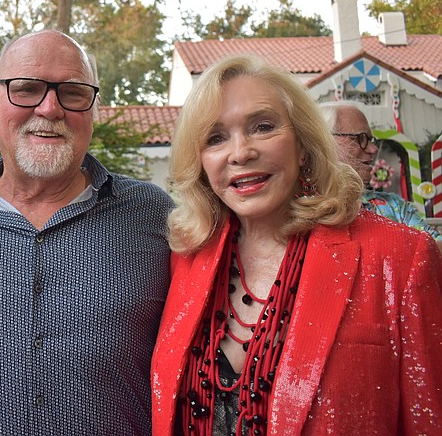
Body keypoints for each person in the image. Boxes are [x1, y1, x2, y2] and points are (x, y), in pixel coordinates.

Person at [151, 55, 442, 435]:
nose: (240, 152)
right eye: (215, 137)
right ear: (201, 163)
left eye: (263, 127)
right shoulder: (186, 260)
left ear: (303, 145)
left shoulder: (401, 255)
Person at [0, 30, 173, 435]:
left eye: (72, 92)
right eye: (27, 89)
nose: (50, 108)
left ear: (94, 108)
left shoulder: (153, 216)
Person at [319, 100, 442, 243]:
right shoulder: (300, 212)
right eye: (361, 138)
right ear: (324, 141)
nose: (374, 149)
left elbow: (436, 248)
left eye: (371, 140)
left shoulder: (393, 207)